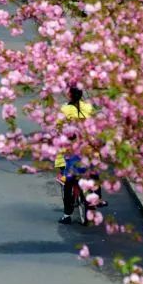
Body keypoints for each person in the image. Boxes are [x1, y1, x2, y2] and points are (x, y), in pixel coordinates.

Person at [55, 86, 102, 224]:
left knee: (67, 183)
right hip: (89, 150)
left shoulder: (64, 110)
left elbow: (58, 128)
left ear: (69, 95)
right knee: (94, 175)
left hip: (71, 151)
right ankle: (97, 199)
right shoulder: (88, 108)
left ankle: (67, 214)